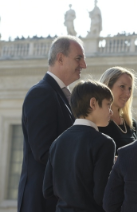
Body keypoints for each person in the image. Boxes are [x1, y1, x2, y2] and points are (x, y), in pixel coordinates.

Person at [17, 35, 87, 212]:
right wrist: (88, 163)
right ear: (60, 58)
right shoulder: (41, 93)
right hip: (43, 202)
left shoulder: (63, 96)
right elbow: (44, 152)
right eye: (79, 58)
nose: (84, 65)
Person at [43, 80, 115, 212]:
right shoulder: (104, 143)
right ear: (93, 103)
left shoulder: (58, 141)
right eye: (108, 105)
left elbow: (47, 190)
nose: (111, 112)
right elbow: (101, 196)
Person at [98, 66, 137, 154]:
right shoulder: (97, 124)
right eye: (122, 87)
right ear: (107, 87)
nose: (127, 94)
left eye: (130, 88)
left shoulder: (131, 124)